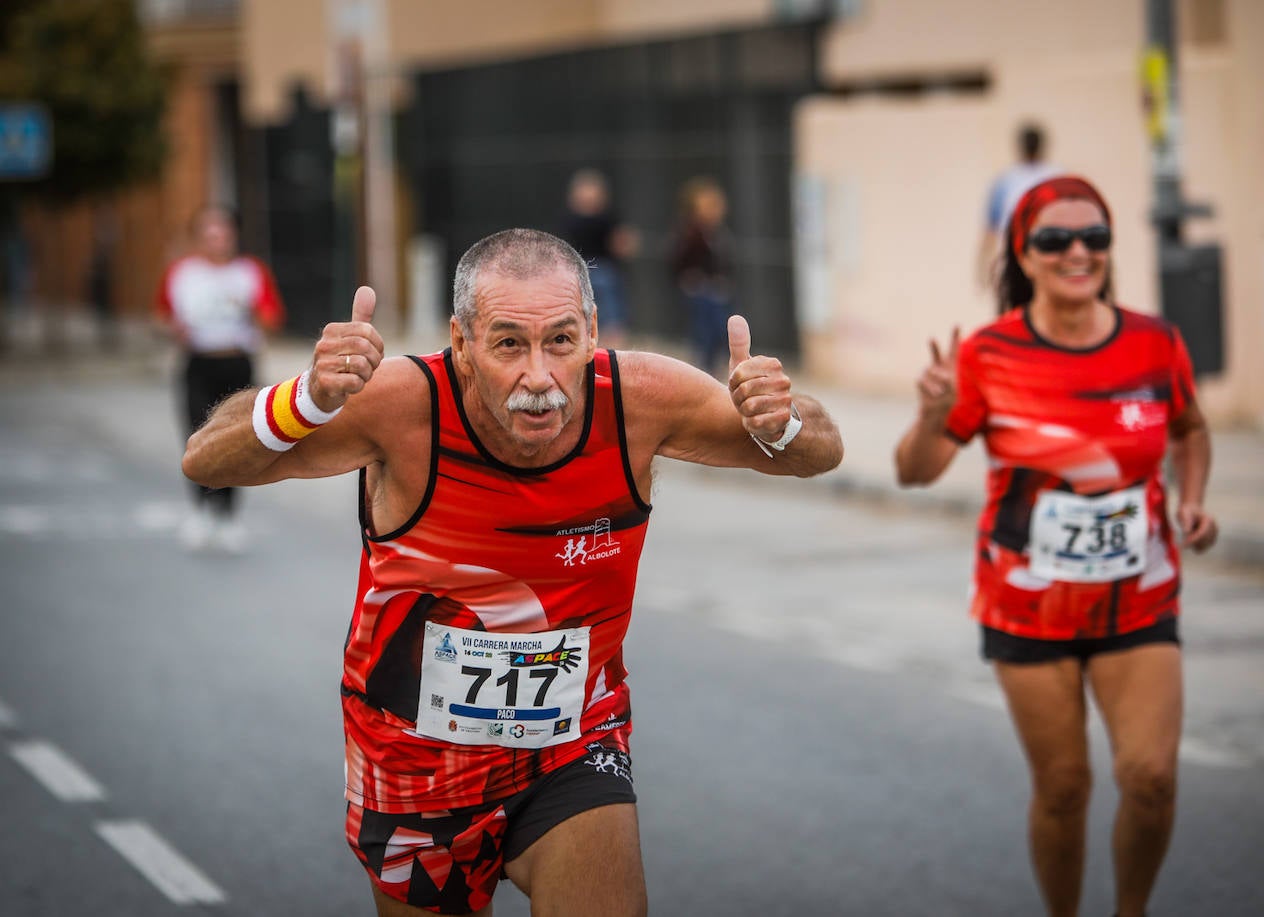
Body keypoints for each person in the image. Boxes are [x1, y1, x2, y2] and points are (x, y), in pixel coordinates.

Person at [181, 228, 842, 916]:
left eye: (560, 340)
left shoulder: (641, 399)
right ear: (461, 344)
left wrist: (782, 419)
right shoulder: (403, 405)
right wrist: (308, 398)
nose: (539, 376)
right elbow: (206, 458)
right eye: (507, 344)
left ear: (590, 332)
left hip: (572, 741)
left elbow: (819, 451)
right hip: (415, 761)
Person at [895, 176, 1218, 917]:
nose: (1079, 251)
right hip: (1026, 605)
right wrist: (932, 414)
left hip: (1140, 594)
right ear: (1025, 253)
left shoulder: (1154, 343)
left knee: (1150, 776)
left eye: (1094, 236)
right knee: (1065, 786)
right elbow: (915, 472)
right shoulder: (987, 353)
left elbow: (1190, 428)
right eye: (1056, 239)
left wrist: (1193, 499)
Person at [156, 204, 285, 553]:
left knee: (239, 441)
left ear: (233, 234)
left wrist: (250, 312)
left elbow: (272, 320)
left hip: (237, 364)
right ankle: (200, 511)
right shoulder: (183, 273)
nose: (216, 239)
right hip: (198, 363)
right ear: (198, 237)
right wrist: (175, 329)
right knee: (196, 436)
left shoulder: (249, 272)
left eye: (222, 231)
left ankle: (229, 515)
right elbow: (162, 318)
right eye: (208, 232)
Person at [558, 169, 638, 349]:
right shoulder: (590, 219)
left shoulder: (597, 218)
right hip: (590, 271)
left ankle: (609, 345)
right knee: (606, 315)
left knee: (605, 315)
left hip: (594, 271)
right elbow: (623, 244)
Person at [976, 122, 1060, 291]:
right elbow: (992, 228)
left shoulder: (1055, 176)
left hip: (1048, 255)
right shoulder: (1007, 179)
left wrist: (983, 265)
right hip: (1017, 257)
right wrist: (983, 266)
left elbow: (991, 230)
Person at [670, 176, 733, 375]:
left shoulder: (715, 232)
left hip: (716, 289)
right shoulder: (691, 232)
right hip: (701, 290)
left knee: (719, 331)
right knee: (704, 332)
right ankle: (704, 370)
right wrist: (692, 279)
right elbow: (678, 260)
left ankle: (712, 368)